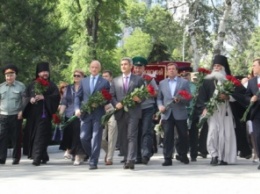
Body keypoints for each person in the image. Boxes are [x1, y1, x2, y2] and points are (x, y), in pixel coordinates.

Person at [197, 55, 237, 166]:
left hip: (226, 112)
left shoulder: (229, 81)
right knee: (213, 133)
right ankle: (214, 155)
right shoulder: (207, 81)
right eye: (215, 65)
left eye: (219, 66)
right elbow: (201, 97)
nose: (216, 68)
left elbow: (239, 95)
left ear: (223, 67)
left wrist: (228, 97)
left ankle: (224, 157)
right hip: (212, 111)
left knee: (226, 135)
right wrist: (203, 108)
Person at [23, 62, 60, 166]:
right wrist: (30, 99)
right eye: (42, 71)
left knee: (41, 135)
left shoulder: (52, 85)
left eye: (46, 71)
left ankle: (37, 158)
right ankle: (43, 155)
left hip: (44, 115)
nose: (45, 73)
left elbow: (56, 97)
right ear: (38, 73)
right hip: (32, 116)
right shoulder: (31, 85)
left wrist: (45, 98)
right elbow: (24, 97)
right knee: (34, 136)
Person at [75, 60, 110, 170]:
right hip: (85, 114)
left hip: (98, 113)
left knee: (96, 137)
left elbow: (107, 98)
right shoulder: (83, 81)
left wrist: (100, 102)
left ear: (99, 69)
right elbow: (78, 96)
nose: (94, 69)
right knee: (83, 137)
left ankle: (93, 162)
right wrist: (77, 108)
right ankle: (92, 155)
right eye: (92, 67)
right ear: (90, 68)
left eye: (96, 67)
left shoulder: (104, 82)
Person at [110, 57, 144, 170]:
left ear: (130, 66)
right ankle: (126, 157)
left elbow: (143, 95)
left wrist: (138, 99)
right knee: (123, 137)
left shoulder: (138, 79)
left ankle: (131, 159)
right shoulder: (115, 80)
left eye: (125, 64)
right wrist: (116, 104)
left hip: (133, 112)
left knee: (131, 135)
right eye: (121, 64)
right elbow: (112, 96)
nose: (123, 66)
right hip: (120, 112)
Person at [157, 63, 191, 166]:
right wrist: (160, 106)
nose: (171, 70)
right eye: (169, 69)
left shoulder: (184, 82)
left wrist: (180, 99)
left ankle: (183, 155)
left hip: (180, 112)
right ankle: (167, 158)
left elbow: (189, 98)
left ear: (177, 71)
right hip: (167, 113)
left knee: (183, 135)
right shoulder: (162, 83)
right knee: (167, 136)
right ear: (167, 71)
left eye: (173, 69)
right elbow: (159, 98)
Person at [133, 56, 158, 165]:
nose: (138, 70)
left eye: (140, 67)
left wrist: (148, 92)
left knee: (146, 130)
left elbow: (157, 92)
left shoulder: (149, 79)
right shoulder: (131, 78)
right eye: (136, 67)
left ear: (144, 68)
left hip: (148, 107)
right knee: (136, 132)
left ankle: (146, 154)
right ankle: (137, 155)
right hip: (135, 109)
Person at [59, 70, 86, 165]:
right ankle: (71, 151)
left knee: (78, 136)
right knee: (69, 135)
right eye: (74, 75)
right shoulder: (69, 88)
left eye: (78, 76)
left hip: (81, 115)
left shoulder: (86, 87)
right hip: (69, 114)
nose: (76, 77)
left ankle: (78, 156)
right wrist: (60, 114)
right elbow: (64, 101)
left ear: (83, 77)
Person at [0, 64, 25, 165]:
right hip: (3, 115)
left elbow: (24, 101)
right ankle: (2, 158)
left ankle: (16, 158)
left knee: (16, 138)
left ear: (15, 75)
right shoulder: (1, 87)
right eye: (7, 75)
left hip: (16, 115)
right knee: (2, 137)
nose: (9, 77)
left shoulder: (21, 86)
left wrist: (22, 111)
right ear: (5, 76)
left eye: (11, 75)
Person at [245, 58, 260, 170]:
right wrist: (251, 99)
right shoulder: (251, 82)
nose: (253, 67)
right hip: (256, 114)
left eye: (254, 65)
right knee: (257, 137)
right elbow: (246, 96)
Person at [101, 70, 118, 165]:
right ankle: (108, 150)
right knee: (101, 137)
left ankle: (109, 157)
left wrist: (113, 105)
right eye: (103, 76)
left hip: (113, 111)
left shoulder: (115, 86)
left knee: (112, 134)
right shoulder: (99, 87)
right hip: (102, 112)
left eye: (106, 76)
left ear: (111, 77)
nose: (104, 78)